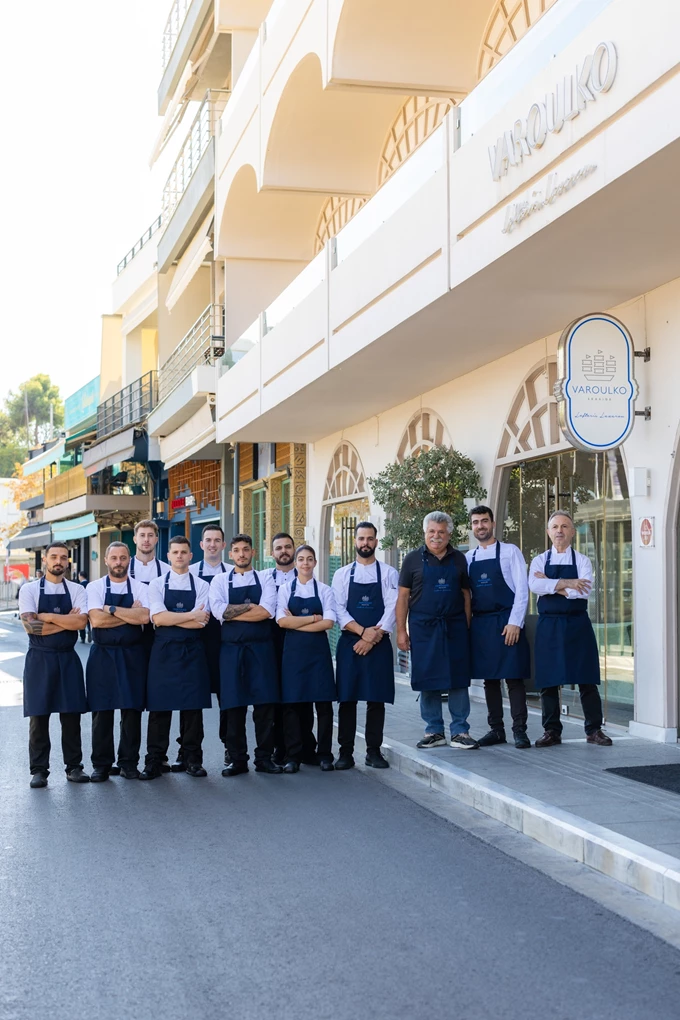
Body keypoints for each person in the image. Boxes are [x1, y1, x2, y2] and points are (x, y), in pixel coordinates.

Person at [528, 510, 612, 747]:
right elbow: (534, 584)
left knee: (586, 678)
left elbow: (583, 591)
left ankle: (594, 729)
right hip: (549, 624)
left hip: (577, 623)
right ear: (548, 532)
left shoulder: (583, 561)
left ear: (573, 532)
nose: (560, 531)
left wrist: (551, 585)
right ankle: (552, 731)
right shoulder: (539, 561)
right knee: (548, 680)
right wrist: (567, 584)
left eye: (565, 527)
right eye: (555, 527)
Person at [396, 511, 478, 750]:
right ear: (425, 532)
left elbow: (466, 595)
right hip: (423, 628)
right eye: (432, 531)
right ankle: (434, 730)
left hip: (454, 626)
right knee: (427, 678)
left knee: (458, 679)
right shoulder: (411, 559)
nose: (436, 536)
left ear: (449, 533)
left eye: (441, 532)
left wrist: (467, 625)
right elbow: (402, 597)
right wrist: (401, 631)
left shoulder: (459, 560)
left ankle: (460, 730)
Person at [209, 534, 282, 776]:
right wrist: (252, 607)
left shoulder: (266, 578)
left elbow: (268, 611)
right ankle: (237, 760)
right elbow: (219, 611)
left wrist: (234, 612)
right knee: (233, 706)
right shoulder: (219, 580)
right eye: (237, 550)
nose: (241, 554)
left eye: (246, 549)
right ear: (230, 554)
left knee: (264, 706)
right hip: (230, 651)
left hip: (261, 650)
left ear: (253, 553)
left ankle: (264, 758)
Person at [19, 542, 90, 788]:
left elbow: (81, 623)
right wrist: (66, 620)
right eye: (53, 557)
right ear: (45, 561)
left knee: (71, 716)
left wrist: (47, 616)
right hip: (39, 658)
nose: (58, 561)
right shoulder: (29, 590)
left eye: (62, 557)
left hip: (67, 658)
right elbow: (31, 627)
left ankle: (74, 767)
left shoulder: (77, 589)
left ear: (68, 561)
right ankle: (39, 770)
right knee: (39, 716)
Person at [140, 536, 212, 779]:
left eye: (184, 552)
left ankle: (193, 759)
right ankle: (155, 760)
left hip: (192, 649)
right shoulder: (156, 584)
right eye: (175, 552)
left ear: (191, 556)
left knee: (193, 707)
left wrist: (175, 618)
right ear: (168, 556)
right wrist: (189, 616)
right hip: (164, 651)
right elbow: (157, 619)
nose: (180, 556)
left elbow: (201, 622)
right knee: (159, 707)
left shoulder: (202, 585)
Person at [332, 521, 398, 770]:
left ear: (376, 542)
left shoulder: (389, 573)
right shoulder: (342, 574)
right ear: (355, 542)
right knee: (347, 699)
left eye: (370, 539)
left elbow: (393, 607)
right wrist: (362, 633)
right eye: (361, 539)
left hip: (378, 643)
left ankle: (373, 751)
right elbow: (338, 609)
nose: (365, 543)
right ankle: (345, 752)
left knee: (376, 699)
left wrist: (373, 636)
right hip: (351, 642)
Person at [466, 505, 531, 749]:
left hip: (507, 620)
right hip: (481, 624)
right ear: (472, 527)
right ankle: (496, 730)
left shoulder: (510, 552)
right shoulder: (468, 559)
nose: (480, 526)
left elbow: (522, 590)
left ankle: (520, 730)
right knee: (489, 680)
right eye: (475, 522)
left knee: (514, 678)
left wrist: (515, 622)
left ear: (493, 524)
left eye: (484, 521)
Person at [85, 542, 151, 781]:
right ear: (106, 560)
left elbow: (144, 616)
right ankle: (101, 764)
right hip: (102, 655)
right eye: (114, 558)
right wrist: (128, 615)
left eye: (123, 558)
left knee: (131, 710)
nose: (118, 562)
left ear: (129, 560)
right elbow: (97, 621)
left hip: (133, 655)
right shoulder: (94, 587)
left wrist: (110, 609)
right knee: (102, 711)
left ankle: (128, 763)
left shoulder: (141, 588)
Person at [277, 545, 337, 772]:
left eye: (309, 559)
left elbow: (329, 623)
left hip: (318, 656)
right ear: (295, 562)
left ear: (315, 563)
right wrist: (314, 619)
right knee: (292, 705)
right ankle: (294, 755)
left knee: (324, 706)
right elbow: (282, 622)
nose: (304, 563)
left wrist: (297, 623)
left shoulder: (324, 590)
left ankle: (324, 755)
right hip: (293, 656)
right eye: (301, 559)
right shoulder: (285, 589)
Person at [173, 523, 228, 774]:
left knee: (228, 698)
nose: (213, 544)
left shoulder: (232, 573)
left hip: (226, 644)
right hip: (194, 644)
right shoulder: (190, 574)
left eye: (217, 540)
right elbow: (196, 616)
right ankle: (187, 751)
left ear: (223, 545)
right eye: (208, 540)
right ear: (201, 545)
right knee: (191, 699)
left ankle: (231, 746)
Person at [262, 532, 317, 767]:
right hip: (272, 643)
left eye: (287, 547)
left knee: (303, 697)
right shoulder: (263, 578)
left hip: (302, 644)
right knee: (276, 699)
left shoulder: (306, 577)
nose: (283, 551)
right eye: (278, 548)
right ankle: (280, 747)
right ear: (271, 553)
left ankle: (307, 747)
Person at [77, 571, 92, 643]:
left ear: (80, 576)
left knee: (82, 621)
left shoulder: (79, 586)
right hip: (90, 604)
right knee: (89, 622)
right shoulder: (90, 585)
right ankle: (90, 632)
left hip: (82, 605)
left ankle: (83, 637)